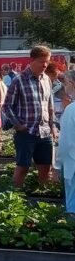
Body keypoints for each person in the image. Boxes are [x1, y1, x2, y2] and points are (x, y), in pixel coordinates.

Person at [3, 44, 55, 189]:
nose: (45, 64)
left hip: (44, 132)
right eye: (41, 61)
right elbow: (7, 106)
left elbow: (49, 105)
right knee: (23, 167)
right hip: (26, 132)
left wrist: (53, 126)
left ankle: (42, 199)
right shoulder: (19, 80)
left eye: (47, 61)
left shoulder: (46, 80)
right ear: (32, 60)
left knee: (45, 168)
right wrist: (19, 125)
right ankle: (14, 198)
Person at [56, 70, 75, 215]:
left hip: (72, 164)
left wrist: (57, 165)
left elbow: (65, 143)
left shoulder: (71, 110)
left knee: (72, 207)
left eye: (66, 83)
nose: (65, 86)